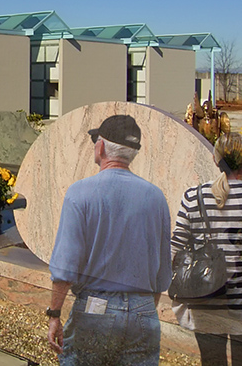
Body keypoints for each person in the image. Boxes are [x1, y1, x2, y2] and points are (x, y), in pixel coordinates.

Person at [47, 114, 172, 365]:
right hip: (143, 309)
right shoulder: (156, 197)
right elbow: (161, 273)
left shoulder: (79, 194)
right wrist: (140, 307)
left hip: (96, 308)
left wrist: (54, 314)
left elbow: (65, 267)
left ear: (101, 146)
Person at [171, 132, 242, 365]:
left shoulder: (195, 196)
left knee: (212, 361)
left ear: (215, 160)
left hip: (206, 299)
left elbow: (175, 249)